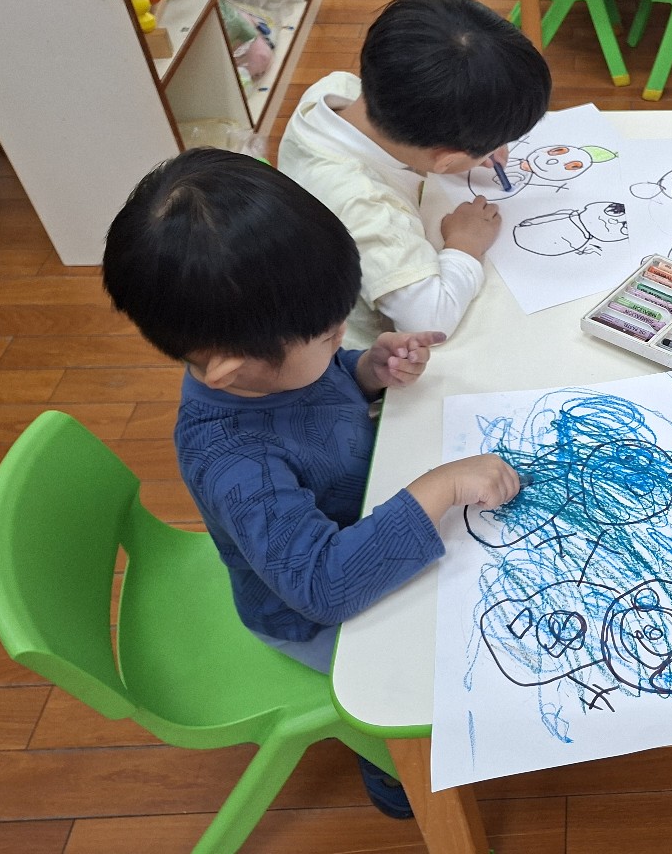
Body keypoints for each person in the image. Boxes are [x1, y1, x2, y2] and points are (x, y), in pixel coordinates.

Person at [102, 148, 522, 818]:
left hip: (353, 519)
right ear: (232, 369)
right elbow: (324, 587)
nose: (340, 341)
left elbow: (313, 386)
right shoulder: (235, 459)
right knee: (425, 675)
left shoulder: (263, 365)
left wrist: (364, 371)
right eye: (329, 337)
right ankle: (393, 772)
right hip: (303, 608)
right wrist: (439, 489)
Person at [278, 0, 553, 348]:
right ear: (446, 160)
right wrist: (464, 245)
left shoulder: (334, 90)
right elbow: (430, 321)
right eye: (490, 146)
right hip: (357, 356)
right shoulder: (367, 208)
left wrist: (470, 149)